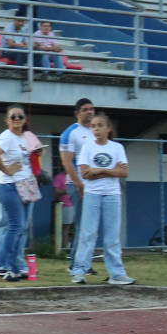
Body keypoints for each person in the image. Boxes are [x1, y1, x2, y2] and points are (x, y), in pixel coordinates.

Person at [71, 112, 135, 285]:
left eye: (100, 126)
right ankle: (79, 271)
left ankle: (117, 273)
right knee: (88, 233)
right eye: (93, 126)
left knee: (112, 236)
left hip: (112, 195)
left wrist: (99, 170)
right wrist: (110, 171)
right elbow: (85, 174)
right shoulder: (87, 148)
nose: (96, 129)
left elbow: (124, 172)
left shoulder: (117, 148)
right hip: (93, 194)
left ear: (108, 128)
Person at [0, 105, 35, 282]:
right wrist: (7, 170)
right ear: (7, 120)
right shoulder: (6, 136)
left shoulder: (25, 137)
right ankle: (1, 265)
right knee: (14, 226)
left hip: (26, 185)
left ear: (25, 119)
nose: (17, 119)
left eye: (20, 116)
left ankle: (14, 267)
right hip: (9, 186)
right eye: (13, 116)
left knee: (21, 227)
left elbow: (33, 156)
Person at [60, 97, 97, 269]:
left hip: (96, 184)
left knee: (91, 226)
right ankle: (77, 264)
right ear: (77, 113)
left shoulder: (97, 131)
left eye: (91, 109)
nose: (89, 112)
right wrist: (79, 184)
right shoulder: (71, 132)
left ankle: (83, 262)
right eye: (85, 109)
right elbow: (67, 162)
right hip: (78, 184)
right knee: (84, 224)